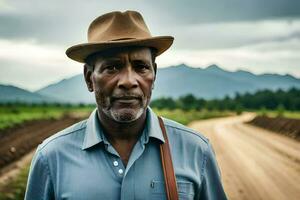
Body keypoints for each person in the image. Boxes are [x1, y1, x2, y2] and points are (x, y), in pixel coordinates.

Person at [25, 10, 227, 200]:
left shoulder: (197, 150)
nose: (129, 81)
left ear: (154, 75)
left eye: (141, 67)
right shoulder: (51, 158)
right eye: (112, 67)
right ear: (89, 78)